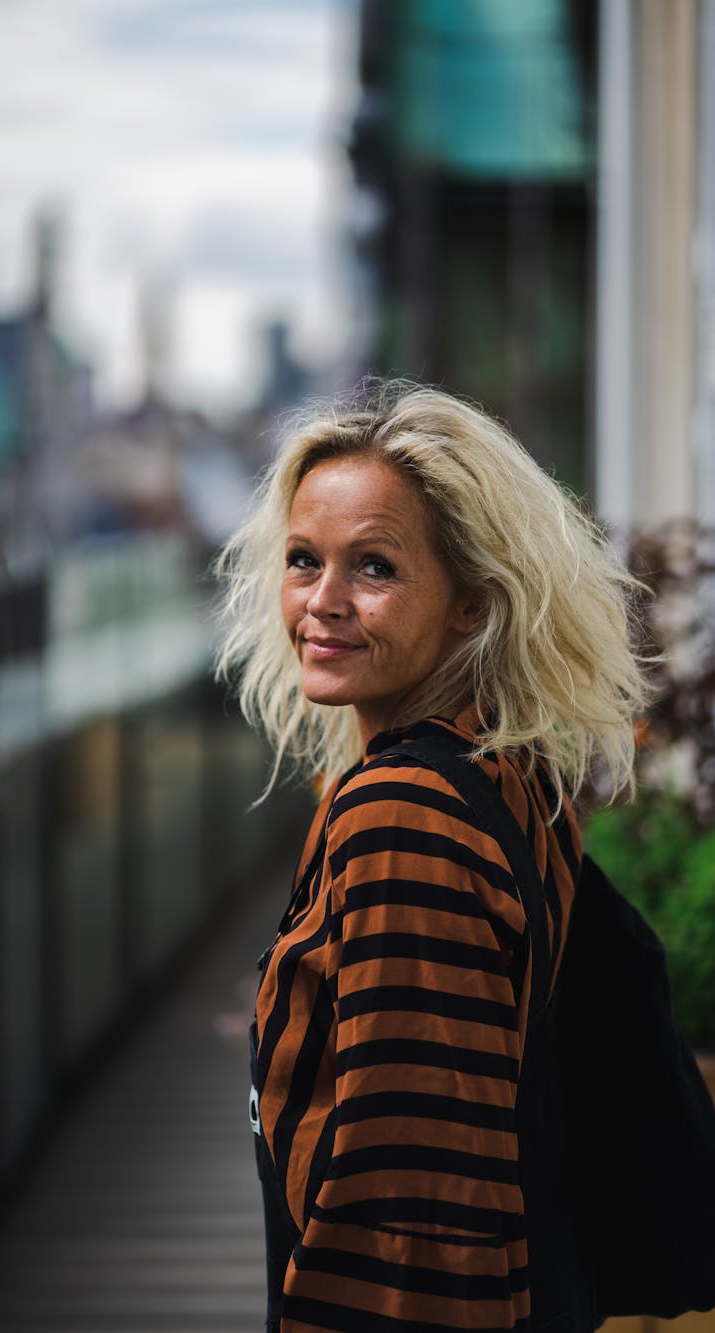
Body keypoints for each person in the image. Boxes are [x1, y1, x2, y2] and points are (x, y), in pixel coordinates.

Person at [214, 383, 649, 1333]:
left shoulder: (404, 816)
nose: (322, 602)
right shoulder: (508, 775)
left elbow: (409, 1228)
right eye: (303, 560)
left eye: (373, 566)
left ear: (469, 604)